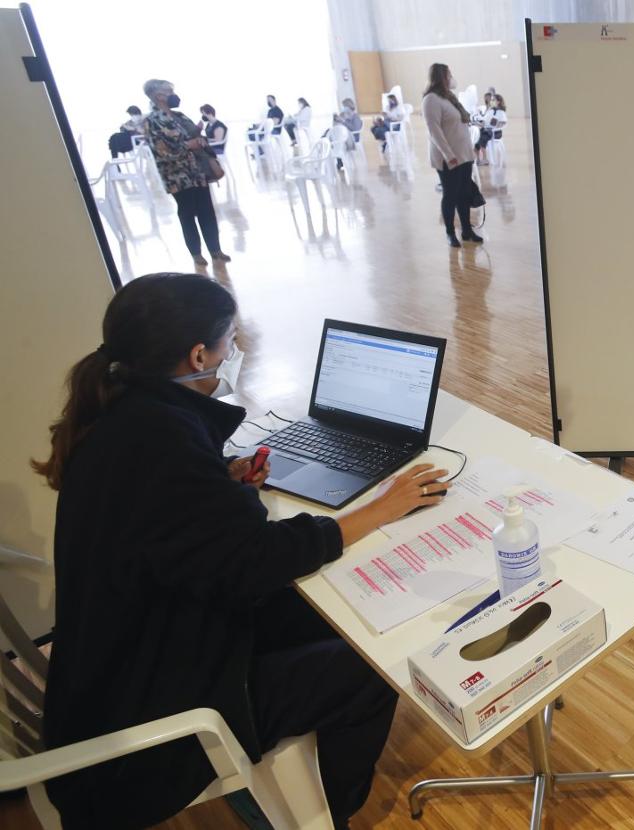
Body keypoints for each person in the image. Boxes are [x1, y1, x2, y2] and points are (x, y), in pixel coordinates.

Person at [34, 273, 451, 829]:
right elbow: (256, 563)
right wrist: (377, 510)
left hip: (136, 652)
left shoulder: (124, 415)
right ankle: (337, 817)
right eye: (232, 338)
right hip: (154, 719)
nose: (239, 349)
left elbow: (183, 535)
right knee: (369, 671)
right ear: (199, 354)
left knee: (332, 615)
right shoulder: (163, 444)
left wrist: (226, 487)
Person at [141, 79, 230, 265]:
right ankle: (196, 254)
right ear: (159, 96)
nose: (173, 94)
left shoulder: (179, 116)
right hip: (177, 176)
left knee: (207, 210)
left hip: (197, 171)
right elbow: (161, 151)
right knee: (188, 212)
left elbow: (195, 136)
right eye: (169, 91)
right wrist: (188, 145)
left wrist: (198, 136)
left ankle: (216, 250)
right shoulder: (151, 121)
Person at [422, 63, 484, 247]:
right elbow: (435, 131)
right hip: (448, 159)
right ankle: (450, 232)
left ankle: (467, 230)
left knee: (464, 194)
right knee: (450, 195)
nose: (451, 77)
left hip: (463, 155)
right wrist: (449, 155)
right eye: (449, 74)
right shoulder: (431, 100)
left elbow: (458, 125)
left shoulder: (449, 98)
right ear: (441, 77)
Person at [474, 93, 507, 165]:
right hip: (487, 130)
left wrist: (496, 124)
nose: (491, 101)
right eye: (491, 100)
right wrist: (476, 122)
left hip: (495, 132)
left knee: (482, 139)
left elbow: (503, 122)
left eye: (493, 100)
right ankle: (478, 159)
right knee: (476, 139)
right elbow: (485, 120)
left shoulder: (501, 112)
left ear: (498, 102)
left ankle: (485, 159)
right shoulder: (491, 110)